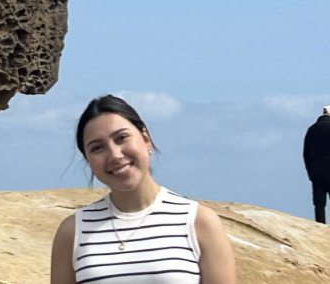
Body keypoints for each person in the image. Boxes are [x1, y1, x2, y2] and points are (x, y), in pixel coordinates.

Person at [50, 95, 236, 284]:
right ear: (88, 160)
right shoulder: (73, 231)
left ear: (146, 139)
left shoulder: (198, 221)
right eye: (98, 148)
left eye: (121, 138)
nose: (115, 155)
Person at [302, 105, 330, 226]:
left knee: (319, 203)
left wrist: (310, 172)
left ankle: (320, 226)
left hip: (316, 171)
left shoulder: (311, 129)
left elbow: (306, 153)